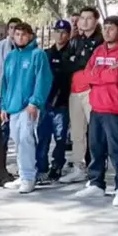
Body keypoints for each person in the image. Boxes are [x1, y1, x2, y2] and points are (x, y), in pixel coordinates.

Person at [73, 16, 118, 206]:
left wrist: (97, 74)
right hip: (97, 107)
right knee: (96, 147)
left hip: (115, 108)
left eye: (112, 29)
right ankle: (96, 183)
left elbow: (115, 77)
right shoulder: (99, 50)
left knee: (117, 150)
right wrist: (101, 74)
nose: (107, 32)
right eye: (105, 28)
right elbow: (86, 75)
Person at [0, 23, 53, 194]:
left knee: (26, 139)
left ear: (30, 36)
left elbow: (42, 80)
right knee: (17, 140)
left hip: (28, 106)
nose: (20, 37)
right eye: (17, 34)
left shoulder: (38, 55)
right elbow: (5, 83)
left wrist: (35, 102)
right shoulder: (11, 57)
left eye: (24, 34)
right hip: (13, 107)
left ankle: (29, 177)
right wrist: (4, 106)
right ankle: (23, 174)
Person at [59, 7, 104, 183]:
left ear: (95, 21)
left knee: (94, 133)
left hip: (91, 90)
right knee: (78, 133)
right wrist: (78, 63)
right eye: (82, 18)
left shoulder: (100, 41)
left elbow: (91, 64)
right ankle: (79, 167)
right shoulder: (74, 41)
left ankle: (96, 170)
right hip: (74, 91)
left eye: (88, 18)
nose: (84, 22)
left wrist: (77, 62)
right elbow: (66, 64)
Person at [37, 19, 73, 182]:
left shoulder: (71, 54)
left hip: (63, 103)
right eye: (57, 32)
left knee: (60, 138)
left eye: (64, 32)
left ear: (69, 34)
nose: (60, 35)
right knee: (43, 136)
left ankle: (57, 165)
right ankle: (41, 167)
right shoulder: (46, 54)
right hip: (46, 102)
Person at [0, 17, 21, 150]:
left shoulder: (26, 47)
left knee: (19, 128)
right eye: (11, 28)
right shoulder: (0, 47)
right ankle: (1, 155)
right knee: (3, 126)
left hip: (19, 94)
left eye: (16, 28)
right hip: (3, 93)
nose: (13, 31)